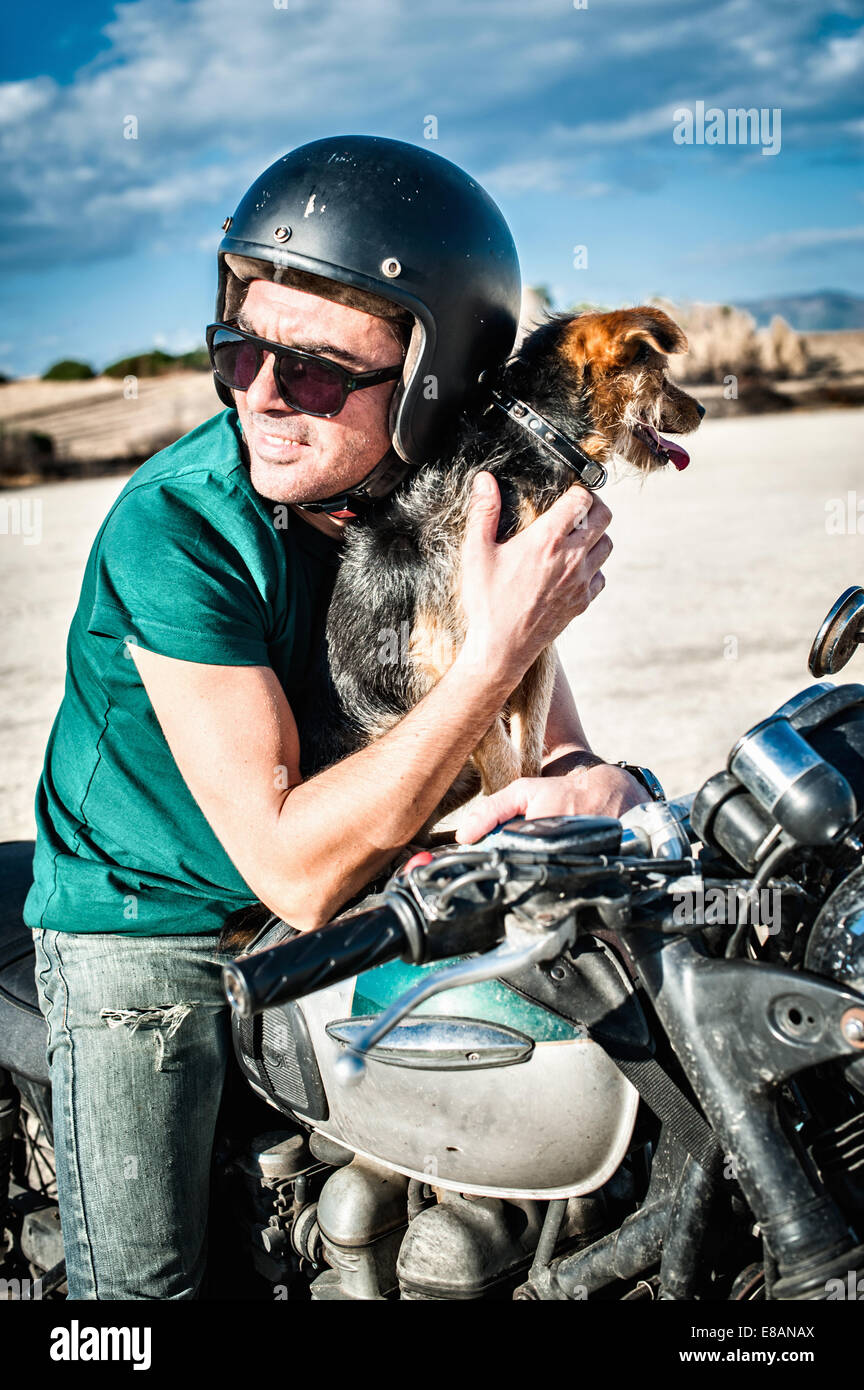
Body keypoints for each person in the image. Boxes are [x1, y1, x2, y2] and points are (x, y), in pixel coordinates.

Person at [25, 134, 643, 1299]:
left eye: (310, 371)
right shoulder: (178, 528)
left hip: (370, 869)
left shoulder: (456, 496)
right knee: (143, 1301)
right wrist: (501, 643)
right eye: (237, 351)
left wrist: (592, 776)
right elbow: (294, 873)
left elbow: (543, 731)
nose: (260, 396)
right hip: (147, 914)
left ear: (432, 380)